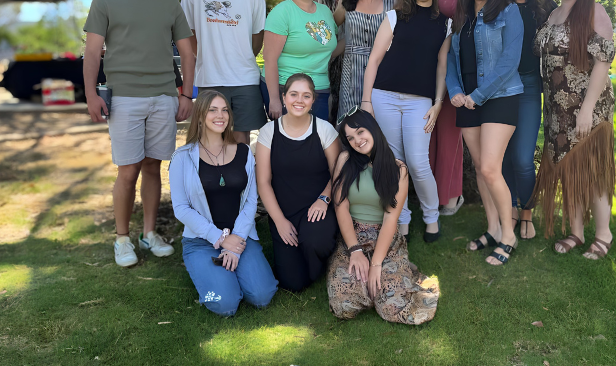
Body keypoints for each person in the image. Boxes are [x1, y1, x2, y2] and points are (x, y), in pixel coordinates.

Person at [83, 0, 195, 268]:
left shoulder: (169, 2)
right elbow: (91, 52)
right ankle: (121, 239)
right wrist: (90, 93)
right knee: (128, 170)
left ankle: (149, 233)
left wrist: (186, 93)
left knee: (152, 167)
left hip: (163, 96)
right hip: (125, 97)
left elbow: (188, 52)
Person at [531, 0, 616, 260]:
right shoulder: (553, 13)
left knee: (592, 171)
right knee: (568, 170)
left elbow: (602, 64)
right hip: (556, 108)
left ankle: (604, 234)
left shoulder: (594, 11)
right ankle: (577, 232)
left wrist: (586, 109)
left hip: (588, 106)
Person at [361, 0, 452, 243]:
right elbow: (374, 61)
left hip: (420, 102)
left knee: (418, 162)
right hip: (384, 96)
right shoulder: (394, 16)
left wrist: (438, 103)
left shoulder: (445, 23)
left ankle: (431, 218)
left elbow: (441, 66)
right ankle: (401, 220)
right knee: (395, 163)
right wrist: (366, 101)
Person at [169, 90, 278, 316]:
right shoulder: (182, 157)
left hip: (241, 238)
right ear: (200, 116)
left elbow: (250, 200)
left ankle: (229, 272)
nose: (221, 115)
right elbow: (180, 208)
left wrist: (235, 241)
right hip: (201, 240)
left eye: (225, 110)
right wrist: (220, 239)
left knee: (262, 296)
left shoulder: (244, 152)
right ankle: (214, 280)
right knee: (224, 304)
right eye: (213, 110)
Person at [327, 109, 439, 324]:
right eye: (350, 137)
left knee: (393, 307)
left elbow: (390, 219)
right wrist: (355, 250)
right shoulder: (345, 159)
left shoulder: (399, 170)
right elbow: (341, 207)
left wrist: (376, 264)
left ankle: (399, 271)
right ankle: (379, 278)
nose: (357, 141)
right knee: (344, 305)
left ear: (373, 129)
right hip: (352, 238)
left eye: (360, 132)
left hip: (384, 240)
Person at [447, 0, 524, 266]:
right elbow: (452, 59)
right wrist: (454, 91)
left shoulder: (508, 12)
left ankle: (509, 234)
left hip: (500, 96)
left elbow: (509, 62)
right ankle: (492, 229)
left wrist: (478, 95)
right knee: (480, 168)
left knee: (491, 168)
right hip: (466, 100)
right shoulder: (460, 16)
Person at [180, 0, 267, 144]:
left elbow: (257, 38)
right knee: (212, 141)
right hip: (210, 78)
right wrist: (203, 53)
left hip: (244, 79)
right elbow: (187, 31)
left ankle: (243, 179)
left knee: (241, 142)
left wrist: (240, 54)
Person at [256, 73, 341, 291]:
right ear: (284, 98)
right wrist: (279, 221)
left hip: (317, 208)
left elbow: (338, 174)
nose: (299, 101)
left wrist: (324, 198)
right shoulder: (268, 132)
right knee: (292, 283)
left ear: (313, 100)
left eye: (306, 96)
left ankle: (328, 254)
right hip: (283, 211)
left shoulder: (324, 130)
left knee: (315, 242)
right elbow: (263, 182)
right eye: (294, 94)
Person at [403, 0, 465, 216]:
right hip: (421, 64)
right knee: (425, 128)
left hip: (453, 63)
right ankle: (426, 194)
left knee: (450, 131)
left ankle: (451, 195)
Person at [498, 0, 557, 240]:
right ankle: (509, 208)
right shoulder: (499, 5)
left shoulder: (546, 7)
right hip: (500, 87)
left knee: (522, 157)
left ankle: (527, 212)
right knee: (505, 156)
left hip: (531, 86)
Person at [263, 0, 338, 121]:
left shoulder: (325, 12)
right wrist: (275, 99)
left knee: (318, 140)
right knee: (290, 143)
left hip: (319, 89)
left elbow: (328, 49)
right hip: (287, 88)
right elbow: (269, 60)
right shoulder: (281, 13)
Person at [331, 0, 394, 124]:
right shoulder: (346, 2)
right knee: (350, 123)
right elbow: (329, 33)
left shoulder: (392, 2)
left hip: (383, 72)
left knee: (380, 124)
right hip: (351, 74)